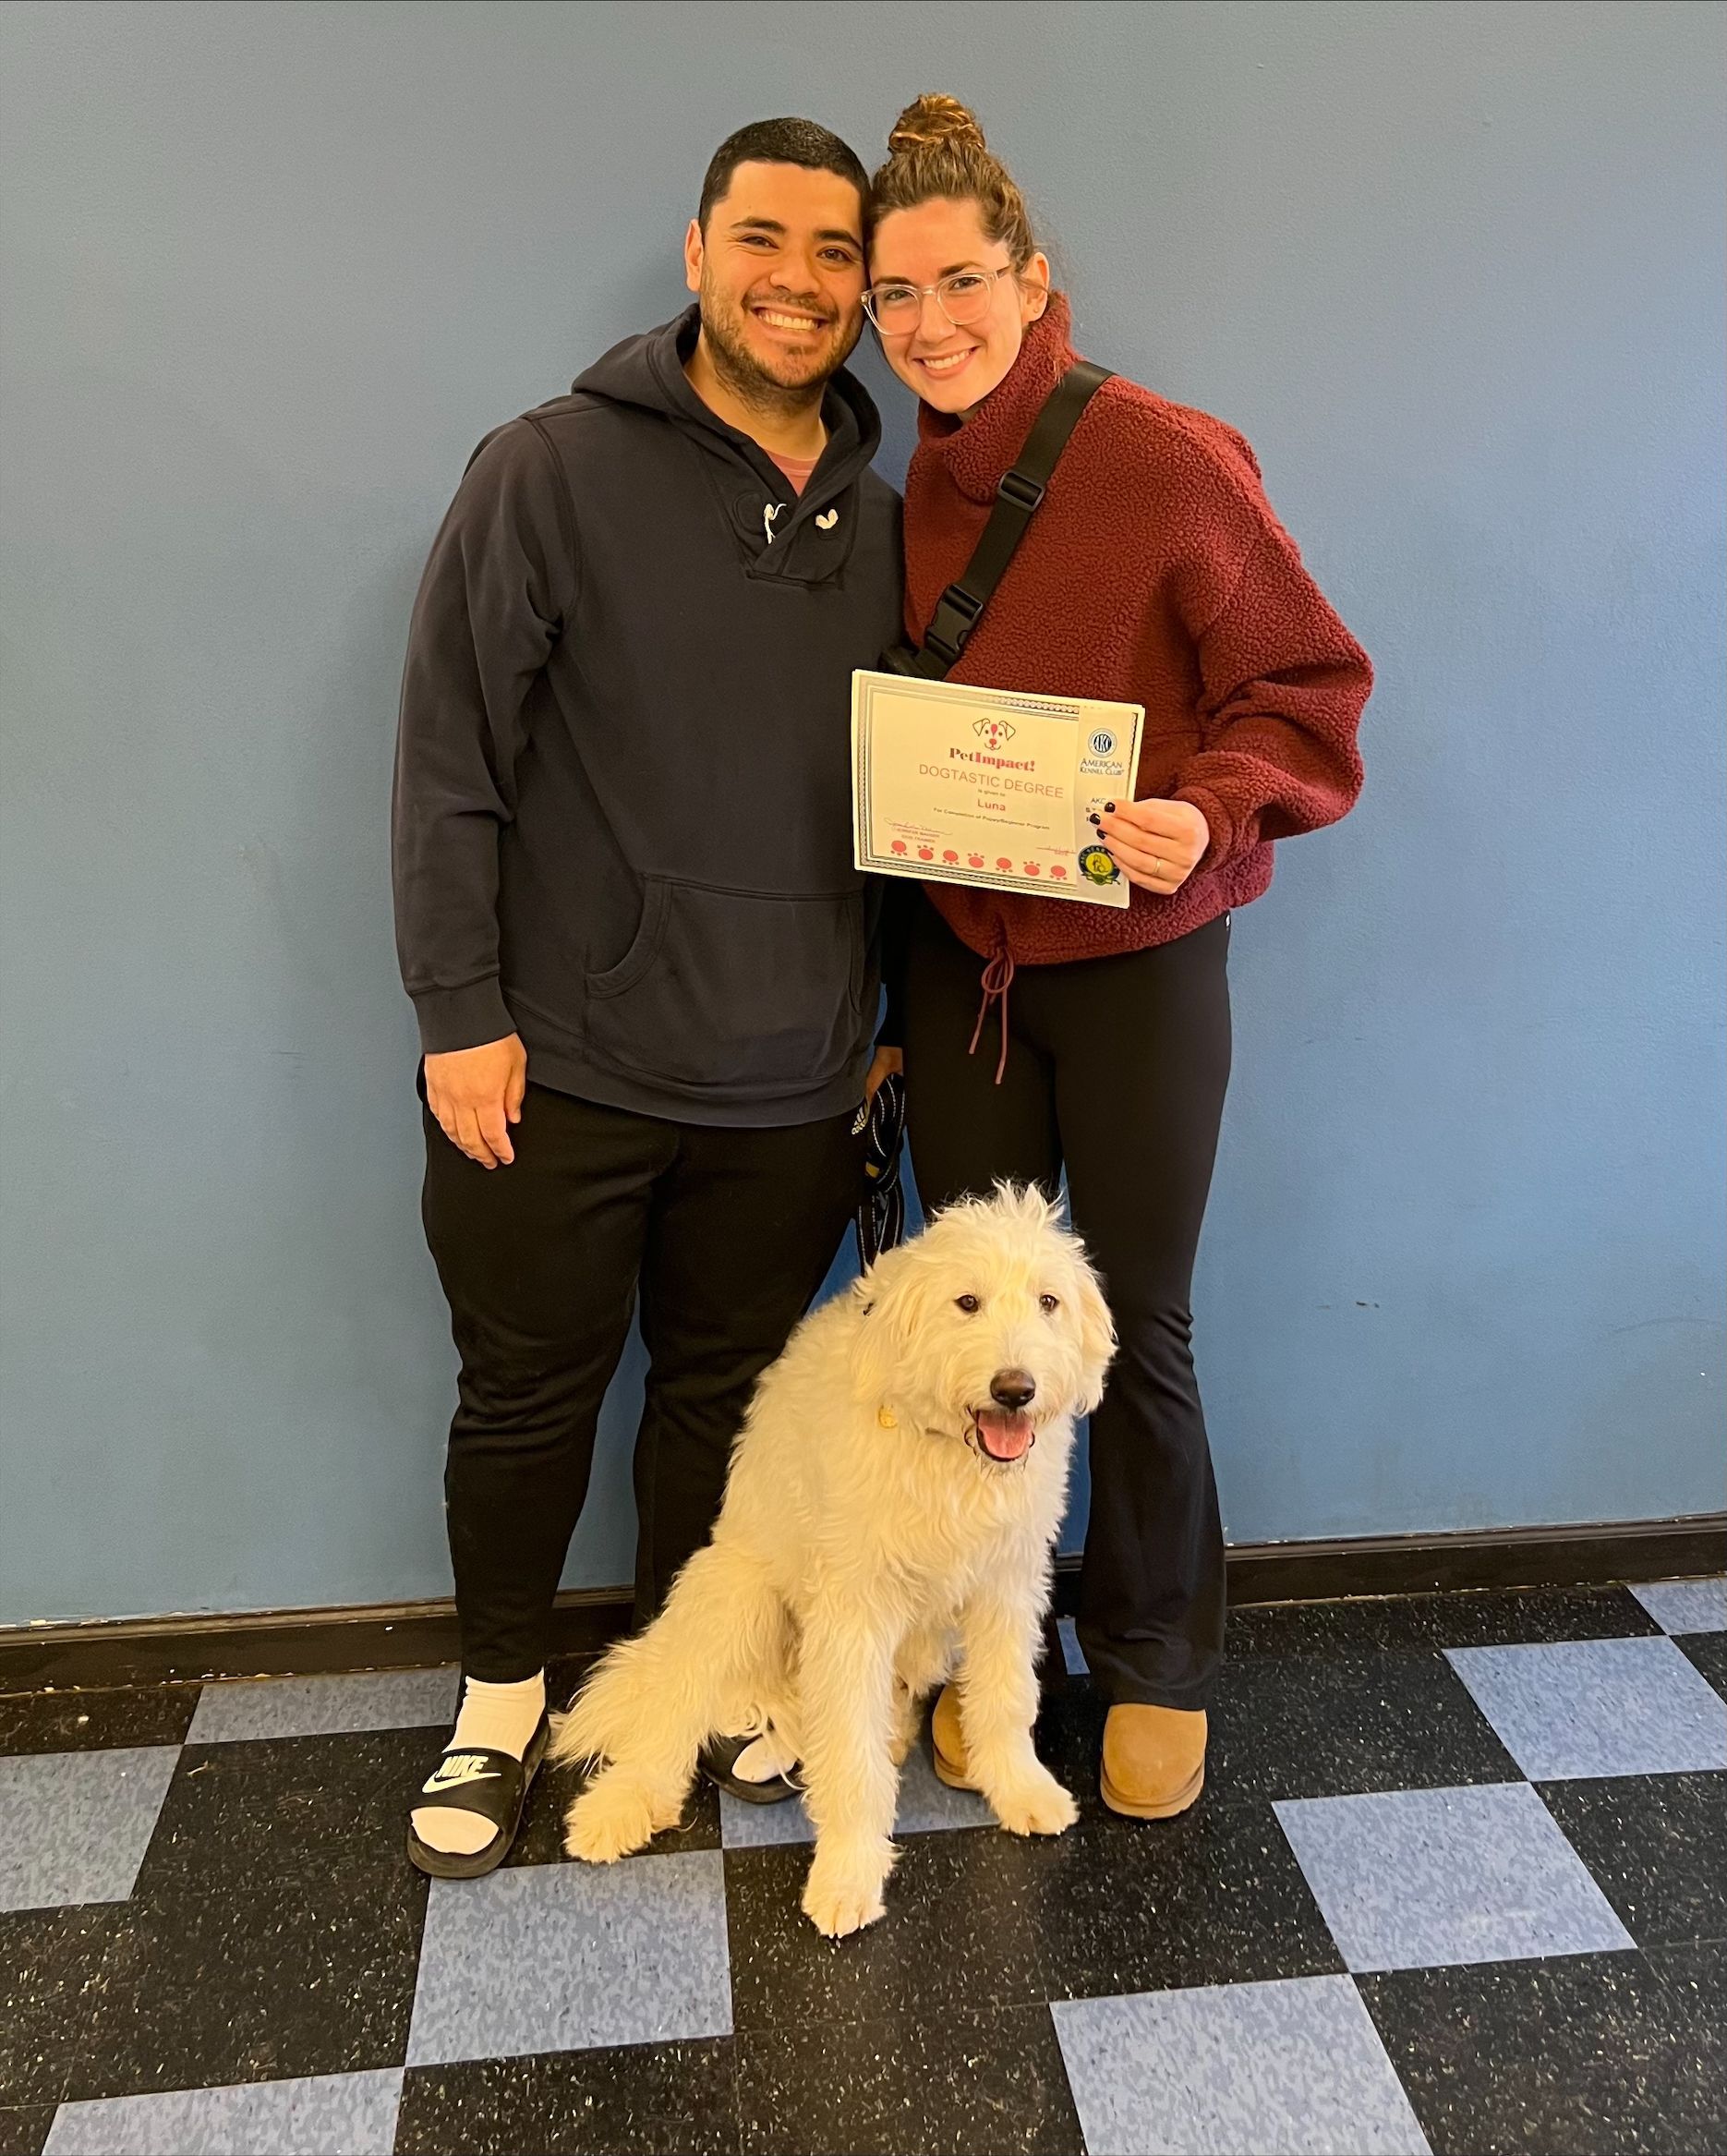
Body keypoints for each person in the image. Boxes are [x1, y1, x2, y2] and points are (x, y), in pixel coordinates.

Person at [392, 117, 904, 1875]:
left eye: (835, 251)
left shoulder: (891, 519)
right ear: (696, 254)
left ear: (863, 283)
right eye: (763, 238)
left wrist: (884, 1015)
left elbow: (910, 803)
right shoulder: (545, 467)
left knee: (721, 1404)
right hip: (558, 1059)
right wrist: (458, 1008)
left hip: (791, 1076)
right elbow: (449, 757)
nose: (798, 279)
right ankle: (499, 1704)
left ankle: (676, 1690)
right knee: (526, 1391)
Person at [864, 95, 1372, 1819]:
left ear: (1032, 277)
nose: (927, 325)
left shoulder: (1161, 455)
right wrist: (881, 1000)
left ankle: (1154, 1652)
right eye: (893, 299)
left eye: (957, 284)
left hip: (1142, 964)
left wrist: (1210, 809)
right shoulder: (902, 491)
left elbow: (1304, 687)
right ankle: (971, 1648)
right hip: (961, 972)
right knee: (958, 1336)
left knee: (1127, 1325)